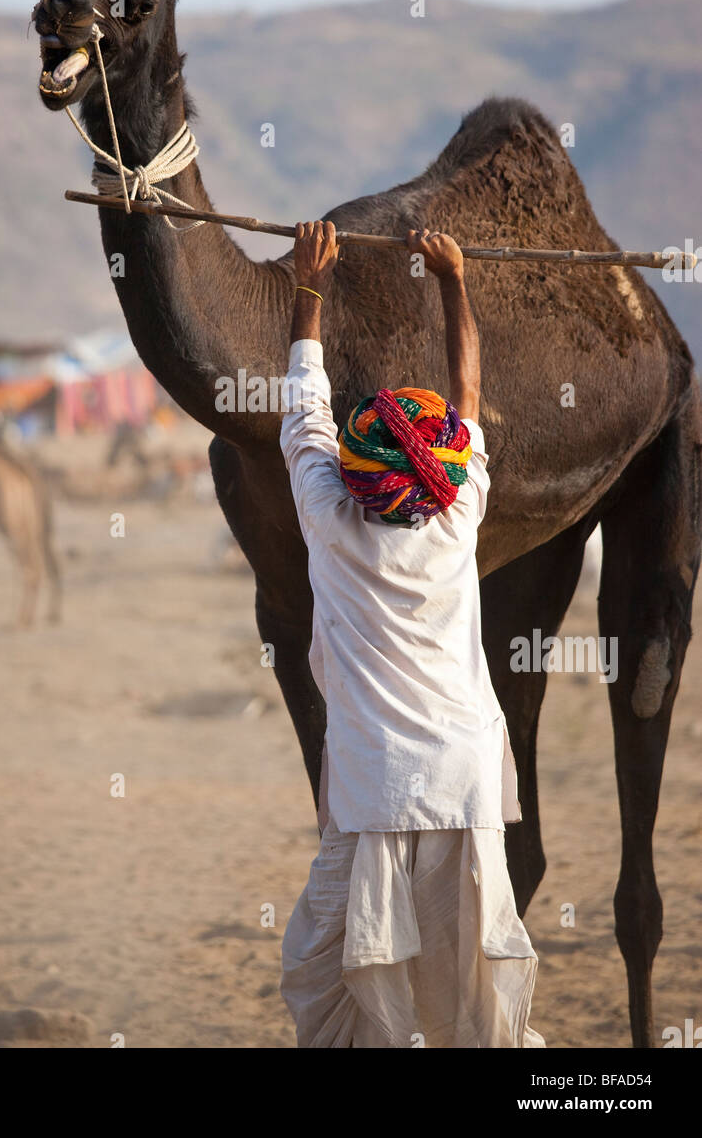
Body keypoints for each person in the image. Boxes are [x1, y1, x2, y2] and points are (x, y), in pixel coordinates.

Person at [278, 219, 545, 1049]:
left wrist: (308, 284)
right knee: (474, 994)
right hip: (463, 783)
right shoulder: (459, 511)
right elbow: (464, 398)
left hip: (375, 791)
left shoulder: (328, 516)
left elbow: (303, 408)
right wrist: (452, 279)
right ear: (440, 474)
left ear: (360, 468)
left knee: (330, 980)